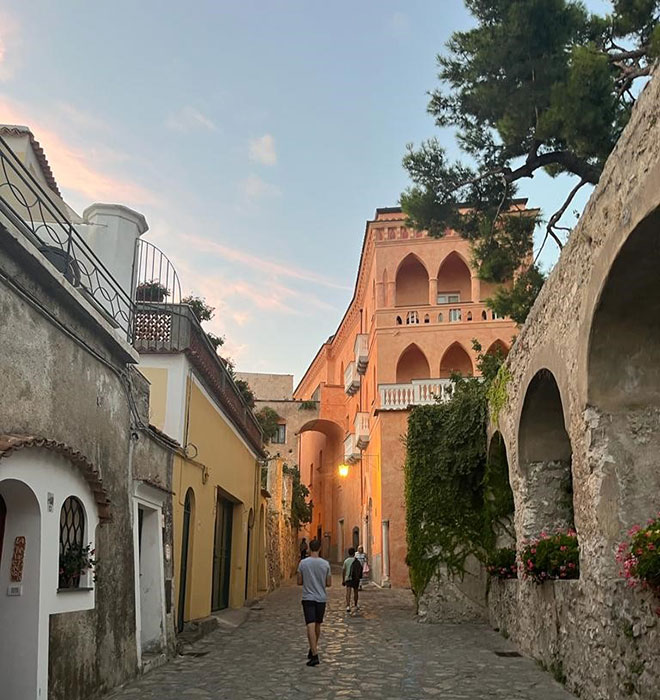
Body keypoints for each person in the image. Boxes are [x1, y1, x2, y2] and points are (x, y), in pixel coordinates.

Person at [297, 538, 331, 667]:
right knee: (317, 625)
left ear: (309, 549)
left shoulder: (303, 563)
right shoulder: (325, 564)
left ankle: (314, 654)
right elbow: (329, 583)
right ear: (320, 548)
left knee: (310, 625)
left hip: (308, 597)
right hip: (321, 598)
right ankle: (313, 649)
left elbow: (299, 582)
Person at [342, 547, 363, 612]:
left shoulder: (346, 561)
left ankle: (348, 606)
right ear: (354, 553)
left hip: (348, 578)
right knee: (355, 592)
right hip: (355, 578)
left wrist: (343, 580)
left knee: (348, 592)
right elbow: (360, 570)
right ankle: (355, 605)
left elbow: (343, 571)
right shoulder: (357, 561)